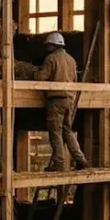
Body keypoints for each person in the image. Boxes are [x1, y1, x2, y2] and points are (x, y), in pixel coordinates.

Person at [35, 32, 88, 171]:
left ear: (53, 45)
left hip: (56, 100)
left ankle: (59, 162)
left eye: (48, 45)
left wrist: (34, 73)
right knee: (67, 130)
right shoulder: (71, 60)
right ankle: (80, 159)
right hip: (69, 100)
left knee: (55, 131)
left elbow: (41, 78)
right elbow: (75, 80)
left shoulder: (50, 59)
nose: (47, 47)